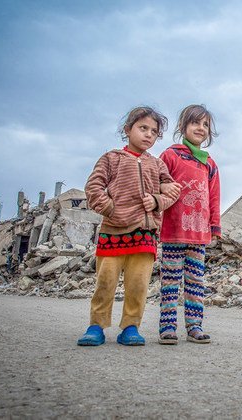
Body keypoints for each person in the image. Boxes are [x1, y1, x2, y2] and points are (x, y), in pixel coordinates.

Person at [77, 106, 180, 346]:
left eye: (154, 132)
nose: (148, 135)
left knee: (138, 284)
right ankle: (96, 326)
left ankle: (131, 327)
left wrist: (157, 200)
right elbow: (93, 188)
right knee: (105, 283)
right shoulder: (111, 158)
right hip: (113, 232)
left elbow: (173, 191)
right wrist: (111, 209)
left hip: (145, 235)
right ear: (127, 130)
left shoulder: (157, 165)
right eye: (143, 128)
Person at [157, 104, 221, 345]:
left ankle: (194, 326)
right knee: (170, 280)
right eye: (196, 123)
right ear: (183, 126)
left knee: (195, 281)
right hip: (174, 231)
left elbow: (214, 196)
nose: (201, 128)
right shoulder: (170, 156)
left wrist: (215, 226)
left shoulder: (209, 163)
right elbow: (157, 183)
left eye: (206, 125)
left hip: (199, 234)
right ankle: (167, 327)